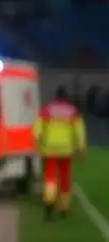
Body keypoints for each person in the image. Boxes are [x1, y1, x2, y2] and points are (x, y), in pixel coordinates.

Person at [34, 86, 87, 220]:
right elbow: (79, 132)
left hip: (50, 148)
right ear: (66, 97)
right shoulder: (73, 111)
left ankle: (49, 201)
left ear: (55, 97)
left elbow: (38, 129)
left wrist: (39, 144)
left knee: (50, 177)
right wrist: (81, 149)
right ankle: (64, 207)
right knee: (65, 178)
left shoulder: (47, 109)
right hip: (66, 149)